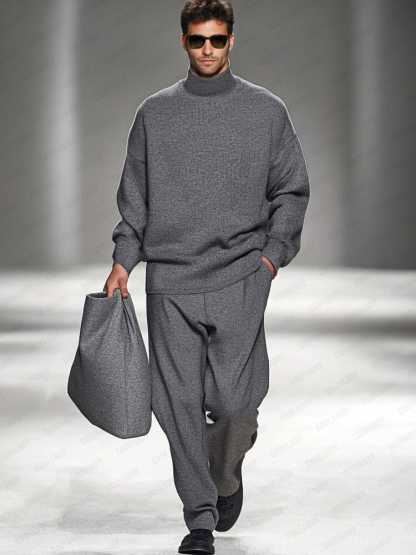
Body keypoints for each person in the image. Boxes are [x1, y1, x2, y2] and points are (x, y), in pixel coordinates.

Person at [103, 1, 310, 553]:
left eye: (217, 39)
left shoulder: (266, 111)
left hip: (240, 275)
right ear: (184, 42)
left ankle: (225, 476)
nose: (208, 50)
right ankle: (199, 518)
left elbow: (291, 189)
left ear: (232, 40)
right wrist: (124, 260)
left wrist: (270, 258)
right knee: (177, 405)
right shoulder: (155, 113)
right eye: (198, 40)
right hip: (170, 280)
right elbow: (135, 199)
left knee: (236, 404)